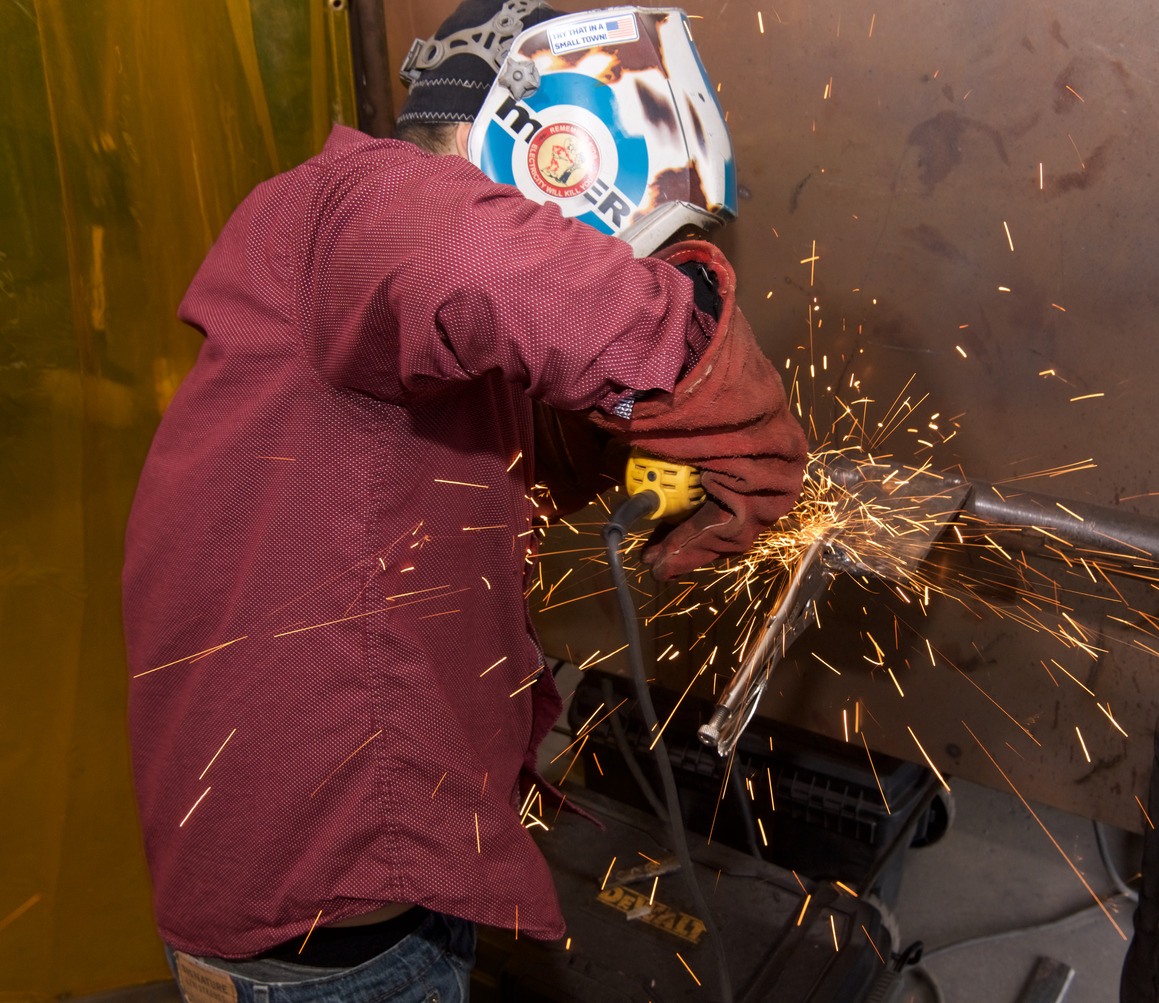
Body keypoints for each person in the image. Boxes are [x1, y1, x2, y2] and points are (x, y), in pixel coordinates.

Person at [121, 1, 806, 999]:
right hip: (319, 946)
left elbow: (471, 433)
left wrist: (617, 444)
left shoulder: (385, 285)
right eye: (626, 252)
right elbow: (490, 267)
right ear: (555, 155)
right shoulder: (359, 205)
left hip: (382, 887)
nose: (630, 274)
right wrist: (699, 358)